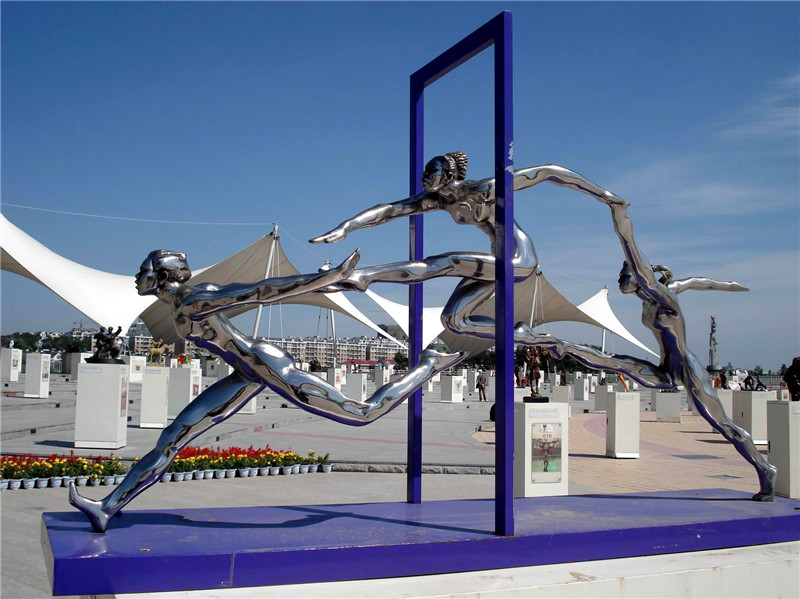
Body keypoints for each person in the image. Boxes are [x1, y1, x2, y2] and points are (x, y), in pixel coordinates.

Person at [69, 249, 463, 533]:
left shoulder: (194, 299)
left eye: (142, 270)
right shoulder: (179, 306)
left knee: (361, 414)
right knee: (173, 437)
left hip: (265, 365)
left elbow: (261, 290)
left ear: (161, 275)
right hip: (244, 374)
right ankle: (108, 507)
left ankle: (429, 364)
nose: (136, 277)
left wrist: (324, 278)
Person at [515, 176, 777, 501]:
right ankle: (561, 345)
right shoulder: (647, 303)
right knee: (615, 362)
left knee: (722, 423)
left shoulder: (662, 297)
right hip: (665, 368)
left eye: (625, 274)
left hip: (687, 368)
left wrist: (618, 213)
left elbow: (648, 255)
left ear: (642, 276)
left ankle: (765, 470)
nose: (621, 279)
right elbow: (695, 282)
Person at [312, 152, 638, 350]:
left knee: (448, 262)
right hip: (494, 264)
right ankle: (520, 334)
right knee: (454, 320)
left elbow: (548, 172)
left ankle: (365, 277)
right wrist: (346, 227)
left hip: (518, 258)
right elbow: (389, 210)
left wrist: (605, 196)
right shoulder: (438, 200)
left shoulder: (485, 190)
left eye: (430, 172)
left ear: (448, 175)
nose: (423, 177)